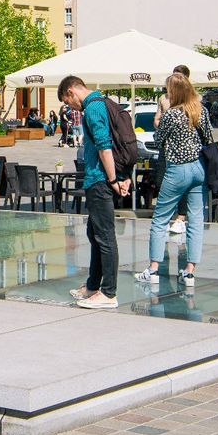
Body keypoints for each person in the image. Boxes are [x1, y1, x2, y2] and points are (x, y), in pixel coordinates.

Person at [58, 75, 131, 309]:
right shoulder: (101, 103)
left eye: (68, 103)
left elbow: (105, 147)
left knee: (105, 237)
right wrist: (122, 177)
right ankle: (93, 286)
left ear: (71, 92)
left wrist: (113, 179)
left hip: (100, 180)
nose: (71, 108)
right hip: (100, 180)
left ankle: (109, 293)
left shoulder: (92, 109)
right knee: (95, 235)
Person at [134, 73, 212, 288]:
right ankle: (189, 272)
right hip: (199, 168)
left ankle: (153, 268)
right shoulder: (200, 112)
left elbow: (158, 140)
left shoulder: (170, 115)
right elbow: (209, 139)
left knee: (160, 218)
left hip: (177, 168)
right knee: (195, 219)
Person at [153, 64, 193, 235]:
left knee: (183, 183)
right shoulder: (164, 99)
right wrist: (162, 125)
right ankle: (169, 215)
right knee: (161, 180)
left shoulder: (193, 101)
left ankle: (181, 217)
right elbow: (157, 121)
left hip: (185, 150)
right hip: (166, 148)